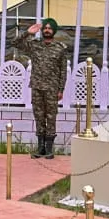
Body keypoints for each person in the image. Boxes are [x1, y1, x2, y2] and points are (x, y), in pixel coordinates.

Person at [15, 18, 71, 159]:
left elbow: (63, 71)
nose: (47, 30)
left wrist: (61, 90)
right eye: (45, 28)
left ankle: (49, 149)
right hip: (37, 87)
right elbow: (15, 43)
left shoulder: (60, 48)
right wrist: (28, 33)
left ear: (54, 31)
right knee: (39, 116)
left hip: (52, 88)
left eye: (50, 28)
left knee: (51, 117)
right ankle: (40, 148)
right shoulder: (34, 45)